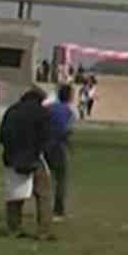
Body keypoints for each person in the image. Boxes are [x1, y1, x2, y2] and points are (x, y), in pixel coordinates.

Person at [0, 86, 55, 240]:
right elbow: (47, 138)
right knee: (43, 194)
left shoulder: (12, 111)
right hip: (34, 158)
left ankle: (14, 228)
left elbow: (2, 136)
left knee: (15, 195)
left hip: (12, 158)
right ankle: (43, 231)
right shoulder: (42, 113)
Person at [45, 84, 76, 221]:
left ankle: (42, 207)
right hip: (58, 147)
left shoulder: (49, 108)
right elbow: (65, 131)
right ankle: (58, 211)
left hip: (44, 146)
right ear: (69, 96)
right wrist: (69, 145)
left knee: (44, 178)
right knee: (61, 180)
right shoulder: (68, 112)